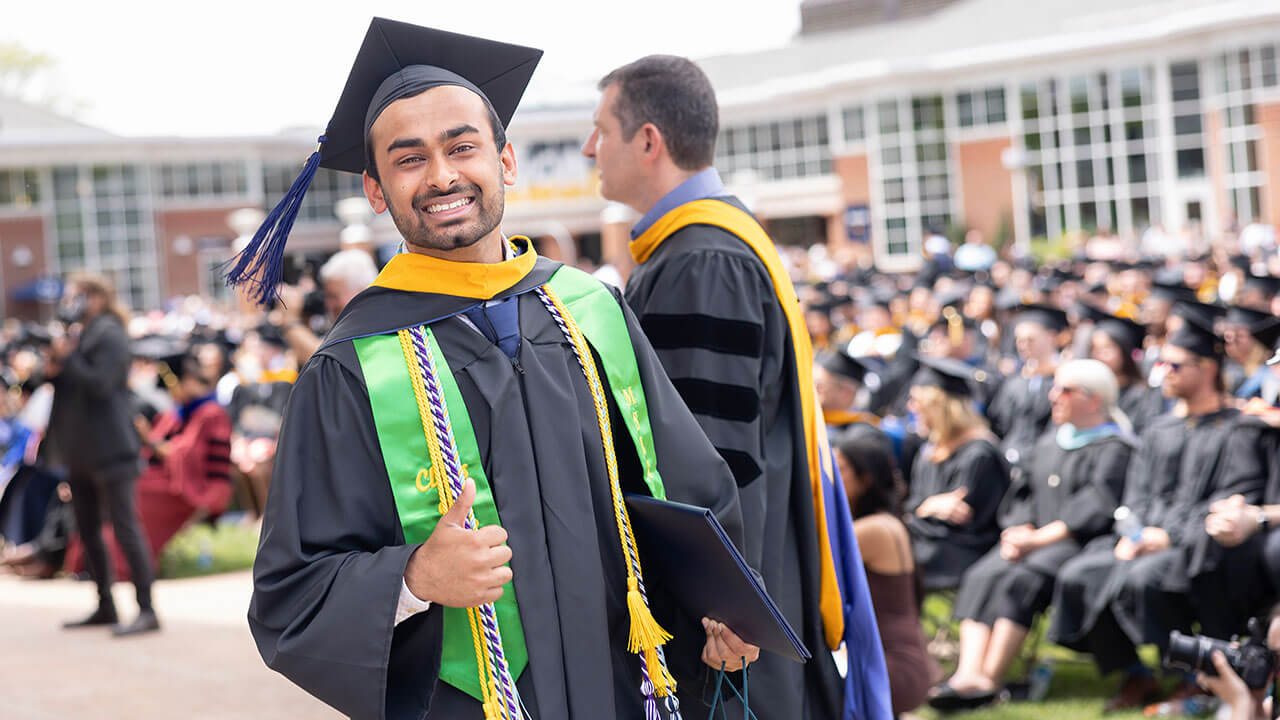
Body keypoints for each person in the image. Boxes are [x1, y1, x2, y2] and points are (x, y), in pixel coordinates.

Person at [240, 21, 757, 720]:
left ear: (505, 160)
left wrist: (722, 605)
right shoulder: (351, 367)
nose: (443, 175)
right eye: (409, 159)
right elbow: (289, 592)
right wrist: (414, 578)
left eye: (462, 147)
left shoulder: (589, 312)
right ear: (374, 188)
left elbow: (688, 488)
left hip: (625, 686)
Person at [586, 54, 890, 719]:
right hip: (755, 575)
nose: (589, 148)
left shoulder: (701, 261)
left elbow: (709, 457)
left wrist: (720, 605)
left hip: (726, 619)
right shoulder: (708, 243)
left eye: (601, 130)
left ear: (648, 141)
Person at [1048, 309, 1257, 712]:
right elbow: (1136, 493)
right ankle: (1133, 673)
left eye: (1174, 365)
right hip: (1144, 538)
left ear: (1208, 368)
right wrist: (1135, 533)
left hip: (1196, 544)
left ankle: (1193, 676)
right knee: (1078, 574)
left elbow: (1235, 495)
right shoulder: (1159, 429)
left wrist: (1167, 538)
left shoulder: (1237, 429)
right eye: (1161, 363)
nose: (1165, 373)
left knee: (1143, 580)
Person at [931, 360, 1135, 711]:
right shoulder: (1047, 443)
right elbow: (1022, 496)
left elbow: (1097, 506)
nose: (1053, 396)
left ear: (1094, 399)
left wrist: (1037, 540)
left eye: (1065, 390)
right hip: (1029, 541)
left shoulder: (1114, 448)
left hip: (1079, 545)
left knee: (1020, 580)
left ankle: (989, 680)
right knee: (983, 574)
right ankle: (966, 673)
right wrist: (1017, 531)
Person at [44, 273, 159, 636]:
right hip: (82, 450)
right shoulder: (81, 333)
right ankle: (105, 605)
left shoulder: (109, 332)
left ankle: (147, 609)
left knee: (125, 529)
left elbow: (101, 383)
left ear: (93, 297)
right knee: (88, 530)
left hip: (110, 449)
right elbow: (70, 385)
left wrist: (69, 358)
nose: (69, 302)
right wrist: (55, 366)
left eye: (75, 295)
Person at [834, 428, 938, 717]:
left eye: (839, 469)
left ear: (865, 479)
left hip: (891, 669)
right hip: (900, 663)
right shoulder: (886, 522)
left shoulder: (873, 531)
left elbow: (814, 565)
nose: (830, 478)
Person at [903, 356, 1010, 591]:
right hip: (929, 541)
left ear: (939, 407)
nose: (911, 407)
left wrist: (919, 513)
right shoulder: (928, 451)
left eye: (916, 401)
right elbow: (915, 505)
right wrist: (927, 507)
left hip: (961, 551)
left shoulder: (979, 454)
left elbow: (965, 524)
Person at [132, 351, 234, 564]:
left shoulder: (211, 413)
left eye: (170, 389)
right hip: (172, 480)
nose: (170, 396)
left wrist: (148, 439)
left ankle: (132, 564)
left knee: (133, 493)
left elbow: (186, 456)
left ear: (186, 381)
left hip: (200, 487)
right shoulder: (179, 413)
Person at [986, 304, 1067, 471]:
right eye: (1019, 340)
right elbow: (1000, 422)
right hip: (1009, 459)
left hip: (1046, 461)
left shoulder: (1064, 378)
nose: (1023, 345)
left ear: (1051, 337)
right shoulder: (1015, 381)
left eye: (1030, 339)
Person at [1078, 303, 1167, 434]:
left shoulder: (1142, 394)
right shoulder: (1088, 394)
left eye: (1107, 349)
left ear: (1124, 352)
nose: (1099, 355)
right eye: (1094, 349)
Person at [278, 248, 380, 362]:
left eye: (334, 296)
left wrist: (290, 321)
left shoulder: (372, 325)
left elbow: (324, 362)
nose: (328, 303)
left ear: (360, 292)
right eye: (327, 296)